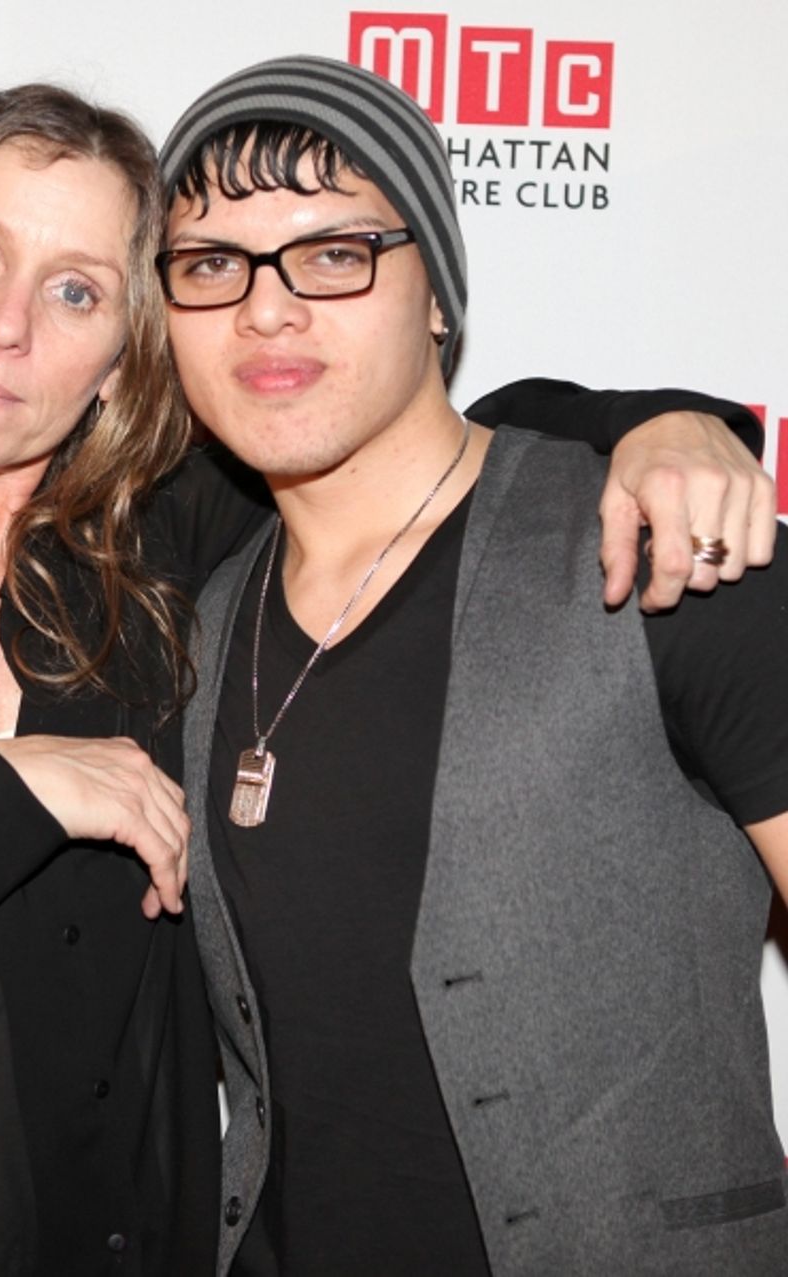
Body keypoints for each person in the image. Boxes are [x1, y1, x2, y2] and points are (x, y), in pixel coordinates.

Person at [0, 80, 772, 1277]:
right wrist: (7, 793)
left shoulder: (161, 547)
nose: (9, 326)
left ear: (123, 350)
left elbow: (410, 439)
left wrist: (662, 422)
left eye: (77, 290)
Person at [159, 56, 788, 1276]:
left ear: (437, 295)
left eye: (335, 251)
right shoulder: (197, 609)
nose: (267, 308)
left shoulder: (660, 551)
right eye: (211, 264)